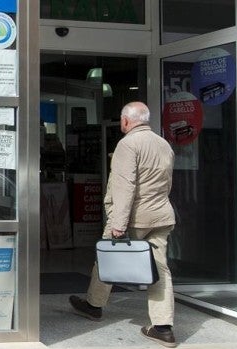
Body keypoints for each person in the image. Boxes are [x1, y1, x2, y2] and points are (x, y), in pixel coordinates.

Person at [69, 101, 177, 348]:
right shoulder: (163, 144)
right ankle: (163, 327)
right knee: (160, 268)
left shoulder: (127, 145)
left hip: (133, 217)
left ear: (126, 121)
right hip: (161, 215)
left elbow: (124, 186)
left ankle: (94, 305)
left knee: (108, 258)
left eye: (121, 120)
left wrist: (118, 223)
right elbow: (167, 182)